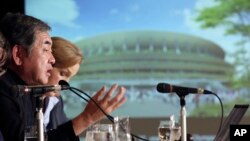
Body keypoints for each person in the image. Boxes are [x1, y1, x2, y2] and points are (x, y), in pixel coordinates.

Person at [0, 13, 126, 141]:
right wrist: (86, 118)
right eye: (45, 49)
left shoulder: (29, 93)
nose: (52, 59)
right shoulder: (4, 89)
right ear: (19, 55)